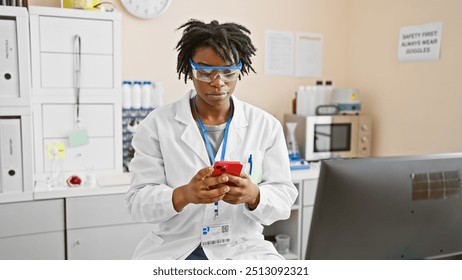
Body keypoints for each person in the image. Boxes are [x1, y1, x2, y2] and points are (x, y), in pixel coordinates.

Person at [126, 19, 298, 260]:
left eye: (228, 72)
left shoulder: (265, 126)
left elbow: (283, 197)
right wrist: (185, 194)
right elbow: (137, 203)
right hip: (176, 248)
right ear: (189, 70)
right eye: (205, 72)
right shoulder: (157, 125)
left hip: (242, 248)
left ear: (240, 70)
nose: (218, 83)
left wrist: (254, 195)